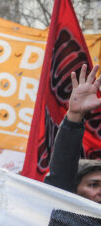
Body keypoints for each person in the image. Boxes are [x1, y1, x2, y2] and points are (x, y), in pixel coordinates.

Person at [44, 63, 101, 204]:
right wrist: (76, 115)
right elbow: (63, 167)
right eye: (93, 185)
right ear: (73, 189)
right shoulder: (64, 218)